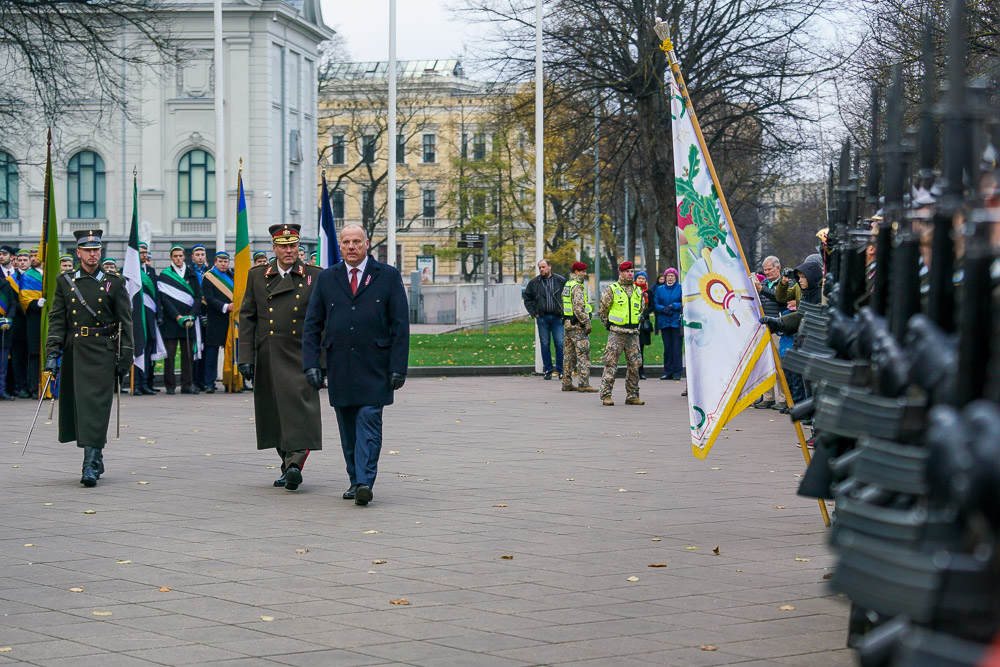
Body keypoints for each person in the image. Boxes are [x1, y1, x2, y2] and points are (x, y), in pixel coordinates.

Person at [303, 223, 409, 506]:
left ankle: (365, 481)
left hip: (376, 367)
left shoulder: (387, 276)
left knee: (369, 423)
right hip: (340, 367)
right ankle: (354, 479)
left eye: (356, 242)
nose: (351, 247)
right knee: (348, 428)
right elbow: (312, 324)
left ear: (367, 243)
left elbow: (400, 325)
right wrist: (311, 364)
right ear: (340, 245)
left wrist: (399, 366)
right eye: (346, 242)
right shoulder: (328, 278)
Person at [44, 229, 133, 487]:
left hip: (104, 350)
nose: (93, 254)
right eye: (88, 250)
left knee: (96, 406)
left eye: (97, 250)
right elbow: (57, 320)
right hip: (75, 350)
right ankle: (95, 454)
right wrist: (52, 353)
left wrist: (125, 358)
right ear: (79, 252)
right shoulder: (65, 281)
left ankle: (90, 463)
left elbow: (125, 323)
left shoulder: (115, 282)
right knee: (80, 406)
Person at [238, 223, 323, 491]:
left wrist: (322, 361)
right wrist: (246, 357)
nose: (289, 251)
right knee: (273, 412)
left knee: (301, 410)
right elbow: (247, 317)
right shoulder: (257, 276)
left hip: (301, 353)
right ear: (274, 248)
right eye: (283, 246)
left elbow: (323, 320)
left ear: (299, 247)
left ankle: (296, 463)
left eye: (293, 245)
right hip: (269, 353)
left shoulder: (315, 276)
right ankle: (287, 465)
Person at [597, 261, 644, 406]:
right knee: (610, 363)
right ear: (621, 273)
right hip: (617, 332)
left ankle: (632, 395)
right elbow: (603, 309)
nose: (630, 274)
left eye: (632, 271)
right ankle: (606, 395)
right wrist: (609, 325)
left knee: (635, 364)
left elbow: (641, 310)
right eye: (627, 271)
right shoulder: (612, 289)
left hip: (633, 333)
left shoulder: (638, 290)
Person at [158, 244, 202, 395]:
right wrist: (177, 316)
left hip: (189, 320)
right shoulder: (164, 275)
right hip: (172, 321)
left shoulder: (192, 274)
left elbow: (198, 297)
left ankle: (187, 385)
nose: (178, 258)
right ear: (171, 257)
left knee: (188, 355)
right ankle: (170, 386)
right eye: (175, 256)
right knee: (169, 356)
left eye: (180, 256)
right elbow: (164, 299)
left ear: (184, 257)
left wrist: (192, 315)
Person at [751, 256, 786, 409]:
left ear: (778, 268)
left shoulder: (785, 283)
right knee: (765, 364)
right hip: (764, 327)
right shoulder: (763, 283)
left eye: (769, 269)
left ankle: (784, 398)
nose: (767, 273)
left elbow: (780, 299)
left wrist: (761, 290)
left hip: (777, 328)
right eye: (765, 270)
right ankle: (768, 397)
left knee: (780, 366)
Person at [522, 258, 566, 380]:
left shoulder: (560, 280)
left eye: (543, 267)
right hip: (542, 317)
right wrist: (534, 313)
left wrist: (565, 312)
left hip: (557, 317)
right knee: (545, 344)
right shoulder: (534, 283)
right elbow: (527, 299)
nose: (541, 269)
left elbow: (567, 297)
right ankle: (548, 370)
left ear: (549, 267)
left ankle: (561, 370)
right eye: (540, 267)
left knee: (560, 343)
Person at [200, 251, 235, 393]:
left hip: (231, 320)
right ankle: (209, 382)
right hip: (215, 319)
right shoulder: (208, 277)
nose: (223, 264)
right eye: (220, 261)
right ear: (215, 262)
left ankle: (231, 381)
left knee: (233, 351)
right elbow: (209, 298)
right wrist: (226, 307)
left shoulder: (232, 275)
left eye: (225, 261)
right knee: (211, 353)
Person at [561, 261, 597, 392]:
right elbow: (578, 307)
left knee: (568, 356)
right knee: (583, 355)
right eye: (583, 271)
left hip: (568, 324)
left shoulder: (568, 285)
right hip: (577, 325)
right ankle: (583, 384)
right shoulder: (577, 287)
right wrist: (586, 322)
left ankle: (566, 382)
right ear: (576, 272)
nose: (585, 274)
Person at [18, 247, 44, 398]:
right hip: (34, 319)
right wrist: (35, 303)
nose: (34, 258)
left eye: (36, 256)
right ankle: (34, 388)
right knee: (35, 354)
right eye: (32, 256)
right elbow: (24, 299)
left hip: (50, 318)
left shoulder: (51, 273)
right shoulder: (28, 276)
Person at [135, 242, 161, 394]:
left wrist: (159, 315)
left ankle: (146, 383)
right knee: (138, 351)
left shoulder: (150, 271)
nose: (144, 255)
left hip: (150, 318)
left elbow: (156, 296)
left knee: (149, 351)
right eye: (141, 252)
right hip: (137, 318)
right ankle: (137, 384)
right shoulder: (129, 272)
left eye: (145, 252)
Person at [654, 268, 683, 380]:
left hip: (676, 321)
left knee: (676, 348)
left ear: (675, 277)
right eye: (668, 276)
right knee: (667, 348)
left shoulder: (680, 288)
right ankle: (667, 371)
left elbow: (683, 301)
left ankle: (677, 372)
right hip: (664, 321)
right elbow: (656, 302)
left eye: (672, 275)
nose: (670, 278)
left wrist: (674, 306)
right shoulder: (660, 289)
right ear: (665, 277)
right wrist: (663, 309)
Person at [634, 270, 653, 380]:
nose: (641, 280)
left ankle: (641, 371)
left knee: (641, 348)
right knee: (632, 348)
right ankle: (633, 370)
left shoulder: (648, 293)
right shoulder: (632, 291)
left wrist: (643, 315)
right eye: (639, 278)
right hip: (633, 322)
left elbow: (651, 306)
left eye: (643, 278)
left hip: (643, 322)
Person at [0, 267, 15, 399]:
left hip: (4, 328)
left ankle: (2, 390)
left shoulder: (5, 284)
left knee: (3, 364)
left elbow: (12, 304)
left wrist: (8, 318)